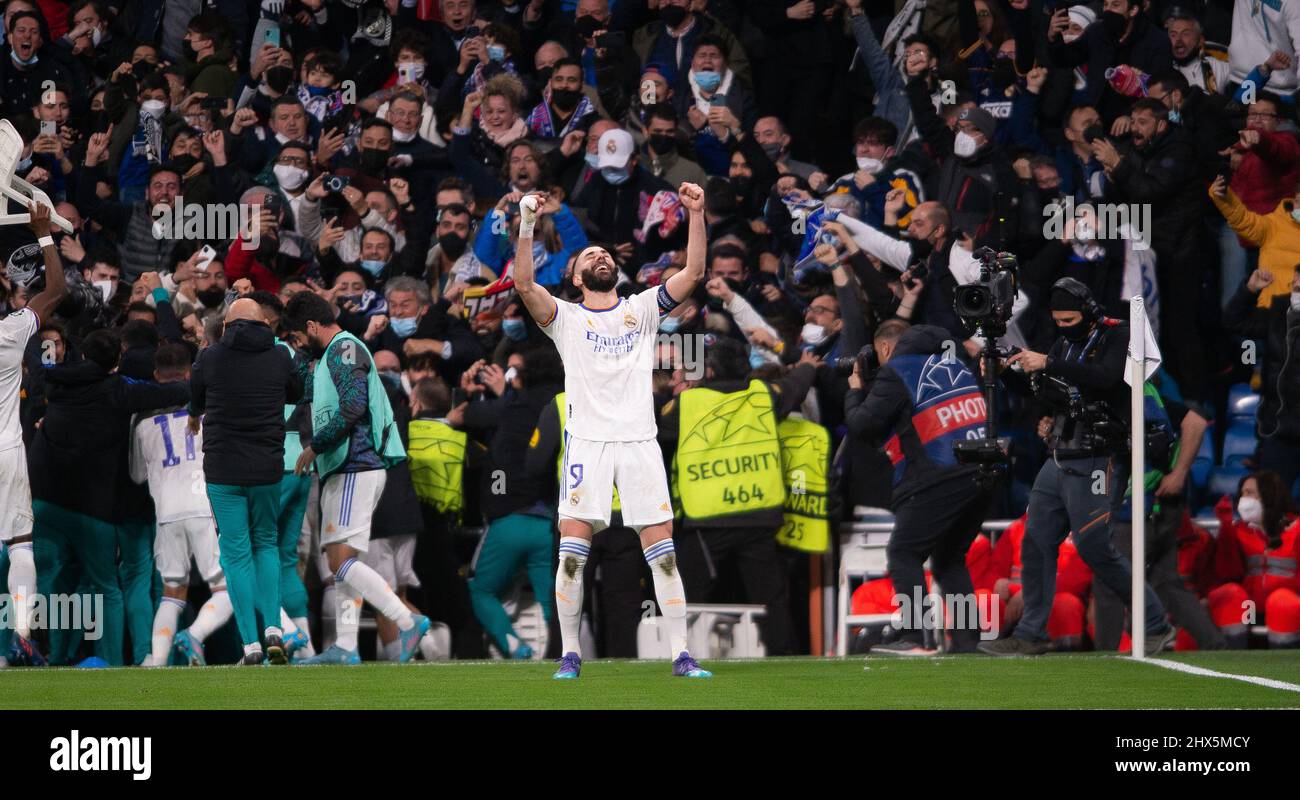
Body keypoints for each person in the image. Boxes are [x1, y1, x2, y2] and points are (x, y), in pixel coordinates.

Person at [512, 183, 711, 679]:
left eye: (605, 253)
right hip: (588, 445)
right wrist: (528, 222)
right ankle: (571, 654)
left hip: (640, 443)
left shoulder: (640, 309)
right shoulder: (566, 318)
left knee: (662, 552)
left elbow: (694, 272)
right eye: (590, 256)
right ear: (576, 277)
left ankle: (681, 654)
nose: (601, 258)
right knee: (573, 553)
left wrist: (697, 214)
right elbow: (522, 285)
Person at [979, 279, 1175, 656]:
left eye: (1070, 319)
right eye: (1058, 321)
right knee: (1036, 541)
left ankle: (1155, 625)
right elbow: (1049, 391)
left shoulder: (1119, 336)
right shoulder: (1064, 342)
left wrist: (1049, 361)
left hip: (1102, 455)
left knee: (1093, 546)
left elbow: (1106, 378)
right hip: (1061, 455)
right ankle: (1031, 632)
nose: (1064, 326)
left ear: (1089, 310)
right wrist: (1007, 372)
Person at [283, 291, 430, 664]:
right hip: (343, 468)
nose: (298, 346)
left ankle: (407, 619)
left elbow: (353, 405)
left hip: (356, 466)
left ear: (313, 326)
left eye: (299, 338)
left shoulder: (345, 348)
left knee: (341, 563)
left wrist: (315, 446)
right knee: (342, 566)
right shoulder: (328, 355)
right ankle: (347, 646)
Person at [844, 320, 993, 655]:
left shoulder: (899, 370)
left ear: (884, 348)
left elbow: (862, 424)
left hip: (940, 474)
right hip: (982, 474)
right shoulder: (958, 366)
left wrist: (855, 389)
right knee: (949, 559)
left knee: (903, 553)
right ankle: (970, 640)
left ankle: (913, 636)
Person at [189, 299, 303, 665]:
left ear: (225, 327)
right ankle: (274, 627)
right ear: (264, 324)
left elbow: (196, 398)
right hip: (267, 467)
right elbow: (296, 394)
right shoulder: (280, 356)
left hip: (223, 469)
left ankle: (250, 644)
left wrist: (195, 415)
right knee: (266, 543)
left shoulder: (210, 357)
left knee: (235, 553)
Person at [129, 344, 234, 666]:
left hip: (166, 512)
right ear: (189, 374)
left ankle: (158, 659)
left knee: (172, 592)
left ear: (156, 376)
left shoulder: (141, 418)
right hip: (204, 506)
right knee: (226, 590)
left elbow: (136, 476)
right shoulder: (208, 410)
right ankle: (194, 635)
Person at [0, 203, 67, 666]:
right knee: (20, 544)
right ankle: (21, 635)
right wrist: (43, 234)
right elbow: (58, 290)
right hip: (6, 450)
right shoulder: (11, 330)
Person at [1224, 267, 1300, 493]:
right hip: (1279, 432)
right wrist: (1249, 290)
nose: (1297, 294)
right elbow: (1233, 321)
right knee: (1270, 508)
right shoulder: (1279, 313)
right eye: (1295, 287)